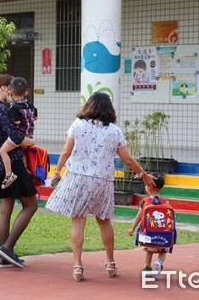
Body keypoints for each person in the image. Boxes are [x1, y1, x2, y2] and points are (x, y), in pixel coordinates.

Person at [46, 92, 155, 282]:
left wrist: (57, 171)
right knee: (103, 220)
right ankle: (110, 263)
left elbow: (66, 151)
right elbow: (127, 160)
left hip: (78, 178)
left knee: (78, 220)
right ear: (109, 109)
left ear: (89, 106)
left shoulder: (77, 125)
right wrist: (144, 176)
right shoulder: (114, 131)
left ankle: (78, 266)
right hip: (103, 180)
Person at [0, 74, 39, 269]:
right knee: (31, 205)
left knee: (5, 210)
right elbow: (15, 135)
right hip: (12, 164)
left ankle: (6, 256)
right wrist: (29, 141)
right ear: (6, 89)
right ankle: (7, 248)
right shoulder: (1, 109)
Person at [0, 77, 38, 189]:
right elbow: (35, 118)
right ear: (26, 92)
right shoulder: (30, 104)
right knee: (22, 152)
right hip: (29, 135)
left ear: (10, 92)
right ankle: (25, 171)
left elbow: (17, 121)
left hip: (19, 137)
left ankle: (8, 174)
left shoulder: (14, 108)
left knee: (3, 151)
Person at [128, 173, 169, 277]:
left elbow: (139, 216)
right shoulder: (166, 202)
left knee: (149, 252)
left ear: (149, 187)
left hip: (149, 235)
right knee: (163, 251)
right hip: (164, 237)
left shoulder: (145, 202)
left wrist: (132, 228)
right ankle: (159, 262)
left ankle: (147, 267)